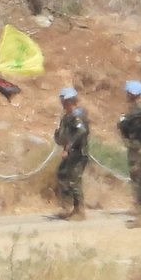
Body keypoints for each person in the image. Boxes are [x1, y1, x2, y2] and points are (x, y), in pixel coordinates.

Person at [52, 87, 90, 221]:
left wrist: (69, 147)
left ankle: (80, 211)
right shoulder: (67, 116)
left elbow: (81, 131)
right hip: (70, 153)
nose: (62, 103)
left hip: (78, 153)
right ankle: (68, 207)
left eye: (64, 100)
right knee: (62, 175)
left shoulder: (77, 115)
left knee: (74, 181)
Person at [116, 78, 141, 198]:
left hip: (137, 145)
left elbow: (127, 125)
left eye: (128, 93)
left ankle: (140, 201)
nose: (126, 95)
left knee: (136, 172)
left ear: (133, 94)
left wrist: (122, 122)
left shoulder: (137, 109)